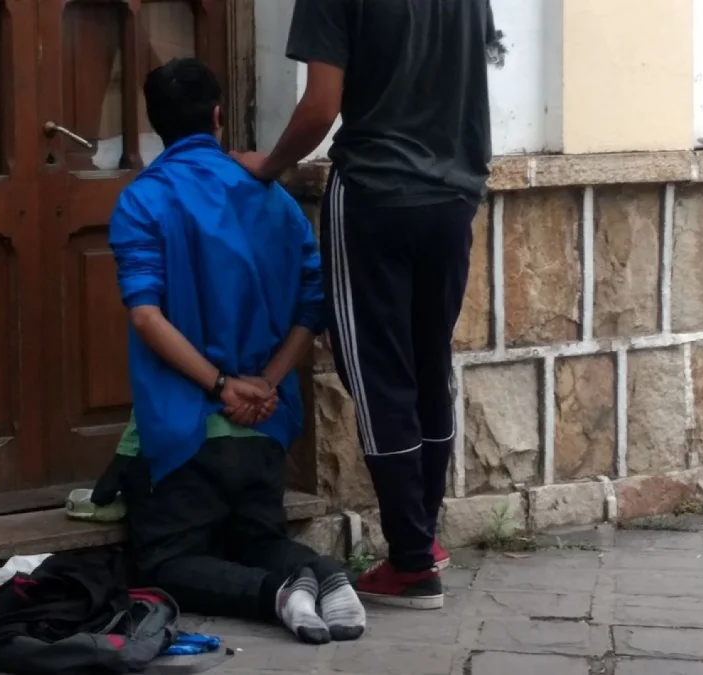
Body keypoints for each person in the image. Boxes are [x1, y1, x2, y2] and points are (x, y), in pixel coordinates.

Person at [233, 0, 497, 610]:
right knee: (428, 365)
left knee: (380, 376)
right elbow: (466, 69)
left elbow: (320, 105)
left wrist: (270, 165)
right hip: (454, 196)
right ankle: (422, 541)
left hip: (377, 193)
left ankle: (411, 564)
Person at [108, 57, 366, 645]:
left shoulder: (143, 199)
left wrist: (223, 387)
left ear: (155, 124)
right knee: (256, 538)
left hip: (182, 429)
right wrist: (266, 384)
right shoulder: (273, 197)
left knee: (166, 561)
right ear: (218, 117)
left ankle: (277, 596)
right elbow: (313, 304)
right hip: (265, 428)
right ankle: (327, 576)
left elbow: (146, 315)